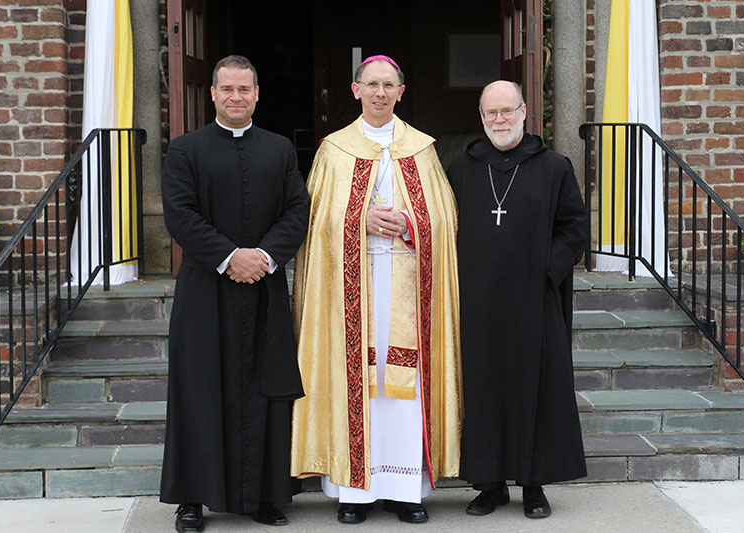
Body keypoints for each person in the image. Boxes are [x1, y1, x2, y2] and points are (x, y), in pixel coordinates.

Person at [290, 55, 461, 525]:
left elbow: (445, 219)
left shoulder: (421, 148)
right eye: (372, 85)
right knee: (356, 380)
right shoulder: (334, 149)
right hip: (352, 286)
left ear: (401, 92)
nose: (380, 93)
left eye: (389, 85)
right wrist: (357, 221)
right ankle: (353, 491)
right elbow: (314, 220)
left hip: (407, 283)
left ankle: (406, 489)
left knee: (400, 385)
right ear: (355, 89)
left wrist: (410, 222)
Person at [160, 55, 310, 532]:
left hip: (263, 289)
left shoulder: (280, 149)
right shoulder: (185, 149)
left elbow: (296, 212)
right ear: (213, 94)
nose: (236, 97)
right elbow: (180, 216)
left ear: (257, 93)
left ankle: (264, 495)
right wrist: (230, 258)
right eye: (227, 89)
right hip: (206, 290)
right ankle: (192, 499)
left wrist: (264, 257)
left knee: (266, 390)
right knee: (199, 391)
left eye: (244, 89)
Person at [446, 80, 588, 519]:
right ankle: (488, 485)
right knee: (483, 389)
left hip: (534, 303)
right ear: (481, 117)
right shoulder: (461, 167)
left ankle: (533, 486)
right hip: (478, 301)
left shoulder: (553, 166)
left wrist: (545, 271)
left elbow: (574, 229)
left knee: (536, 389)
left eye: (507, 111)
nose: (500, 121)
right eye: (491, 113)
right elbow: (440, 225)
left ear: (525, 111)